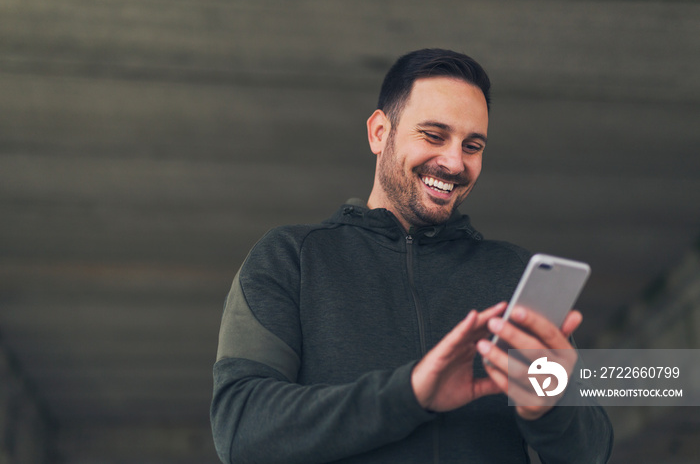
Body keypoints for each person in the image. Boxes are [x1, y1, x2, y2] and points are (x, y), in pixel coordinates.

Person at [211, 48, 613, 463]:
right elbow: (241, 430)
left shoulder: (512, 275)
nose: (455, 162)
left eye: (472, 145)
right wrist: (411, 393)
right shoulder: (291, 258)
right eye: (434, 136)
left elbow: (592, 453)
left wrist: (550, 401)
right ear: (379, 132)